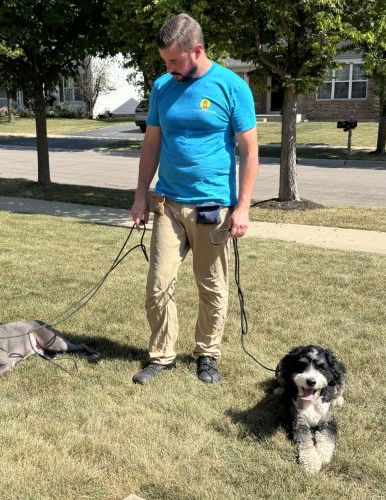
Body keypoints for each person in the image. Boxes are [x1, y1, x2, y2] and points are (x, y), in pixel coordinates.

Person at [130, 13, 259, 384]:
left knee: (211, 285)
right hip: (168, 202)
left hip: (212, 207)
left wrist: (243, 206)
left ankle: (207, 354)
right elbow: (151, 143)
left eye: (173, 60)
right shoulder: (162, 88)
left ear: (197, 50)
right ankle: (162, 355)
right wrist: (141, 195)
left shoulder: (232, 87)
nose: (167, 67)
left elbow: (249, 152)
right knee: (158, 284)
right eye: (164, 61)